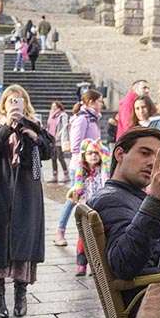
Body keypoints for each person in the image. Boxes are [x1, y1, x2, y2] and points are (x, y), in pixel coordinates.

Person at [0, 85, 54, 318]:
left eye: (19, 100)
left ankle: (21, 294)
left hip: (26, 189)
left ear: (26, 104)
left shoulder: (35, 126)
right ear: (4, 104)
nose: (15, 103)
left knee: (24, 238)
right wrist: (7, 127)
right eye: (10, 100)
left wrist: (32, 134)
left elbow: (48, 152)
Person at [89, 128, 160, 299]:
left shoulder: (133, 197)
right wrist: (155, 201)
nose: (152, 163)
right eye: (145, 153)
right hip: (158, 302)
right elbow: (124, 265)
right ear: (120, 154)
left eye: (157, 158)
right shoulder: (111, 199)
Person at [55, 89, 102, 247]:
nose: (101, 104)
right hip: (81, 165)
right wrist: (89, 150)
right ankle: (60, 230)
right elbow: (76, 146)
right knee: (74, 198)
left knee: (86, 197)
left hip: (93, 164)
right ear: (91, 102)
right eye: (99, 101)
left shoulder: (93, 118)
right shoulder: (83, 119)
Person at [68, 138, 110, 276]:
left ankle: (96, 266)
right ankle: (81, 264)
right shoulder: (82, 172)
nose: (93, 156)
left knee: (99, 239)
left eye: (96, 153)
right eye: (90, 153)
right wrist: (75, 194)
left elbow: (108, 163)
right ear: (84, 156)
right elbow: (76, 189)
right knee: (83, 238)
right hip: (86, 209)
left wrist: (102, 149)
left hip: (101, 208)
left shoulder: (103, 171)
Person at [46, 100, 70, 184]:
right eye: (52, 107)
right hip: (51, 139)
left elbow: (64, 127)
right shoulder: (51, 115)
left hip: (59, 139)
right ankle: (54, 175)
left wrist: (58, 136)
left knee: (60, 157)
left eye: (55, 107)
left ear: (59, 107)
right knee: (53, 158)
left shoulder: (63, 115)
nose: (53, 108)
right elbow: (49, 126)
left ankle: (66, 174)